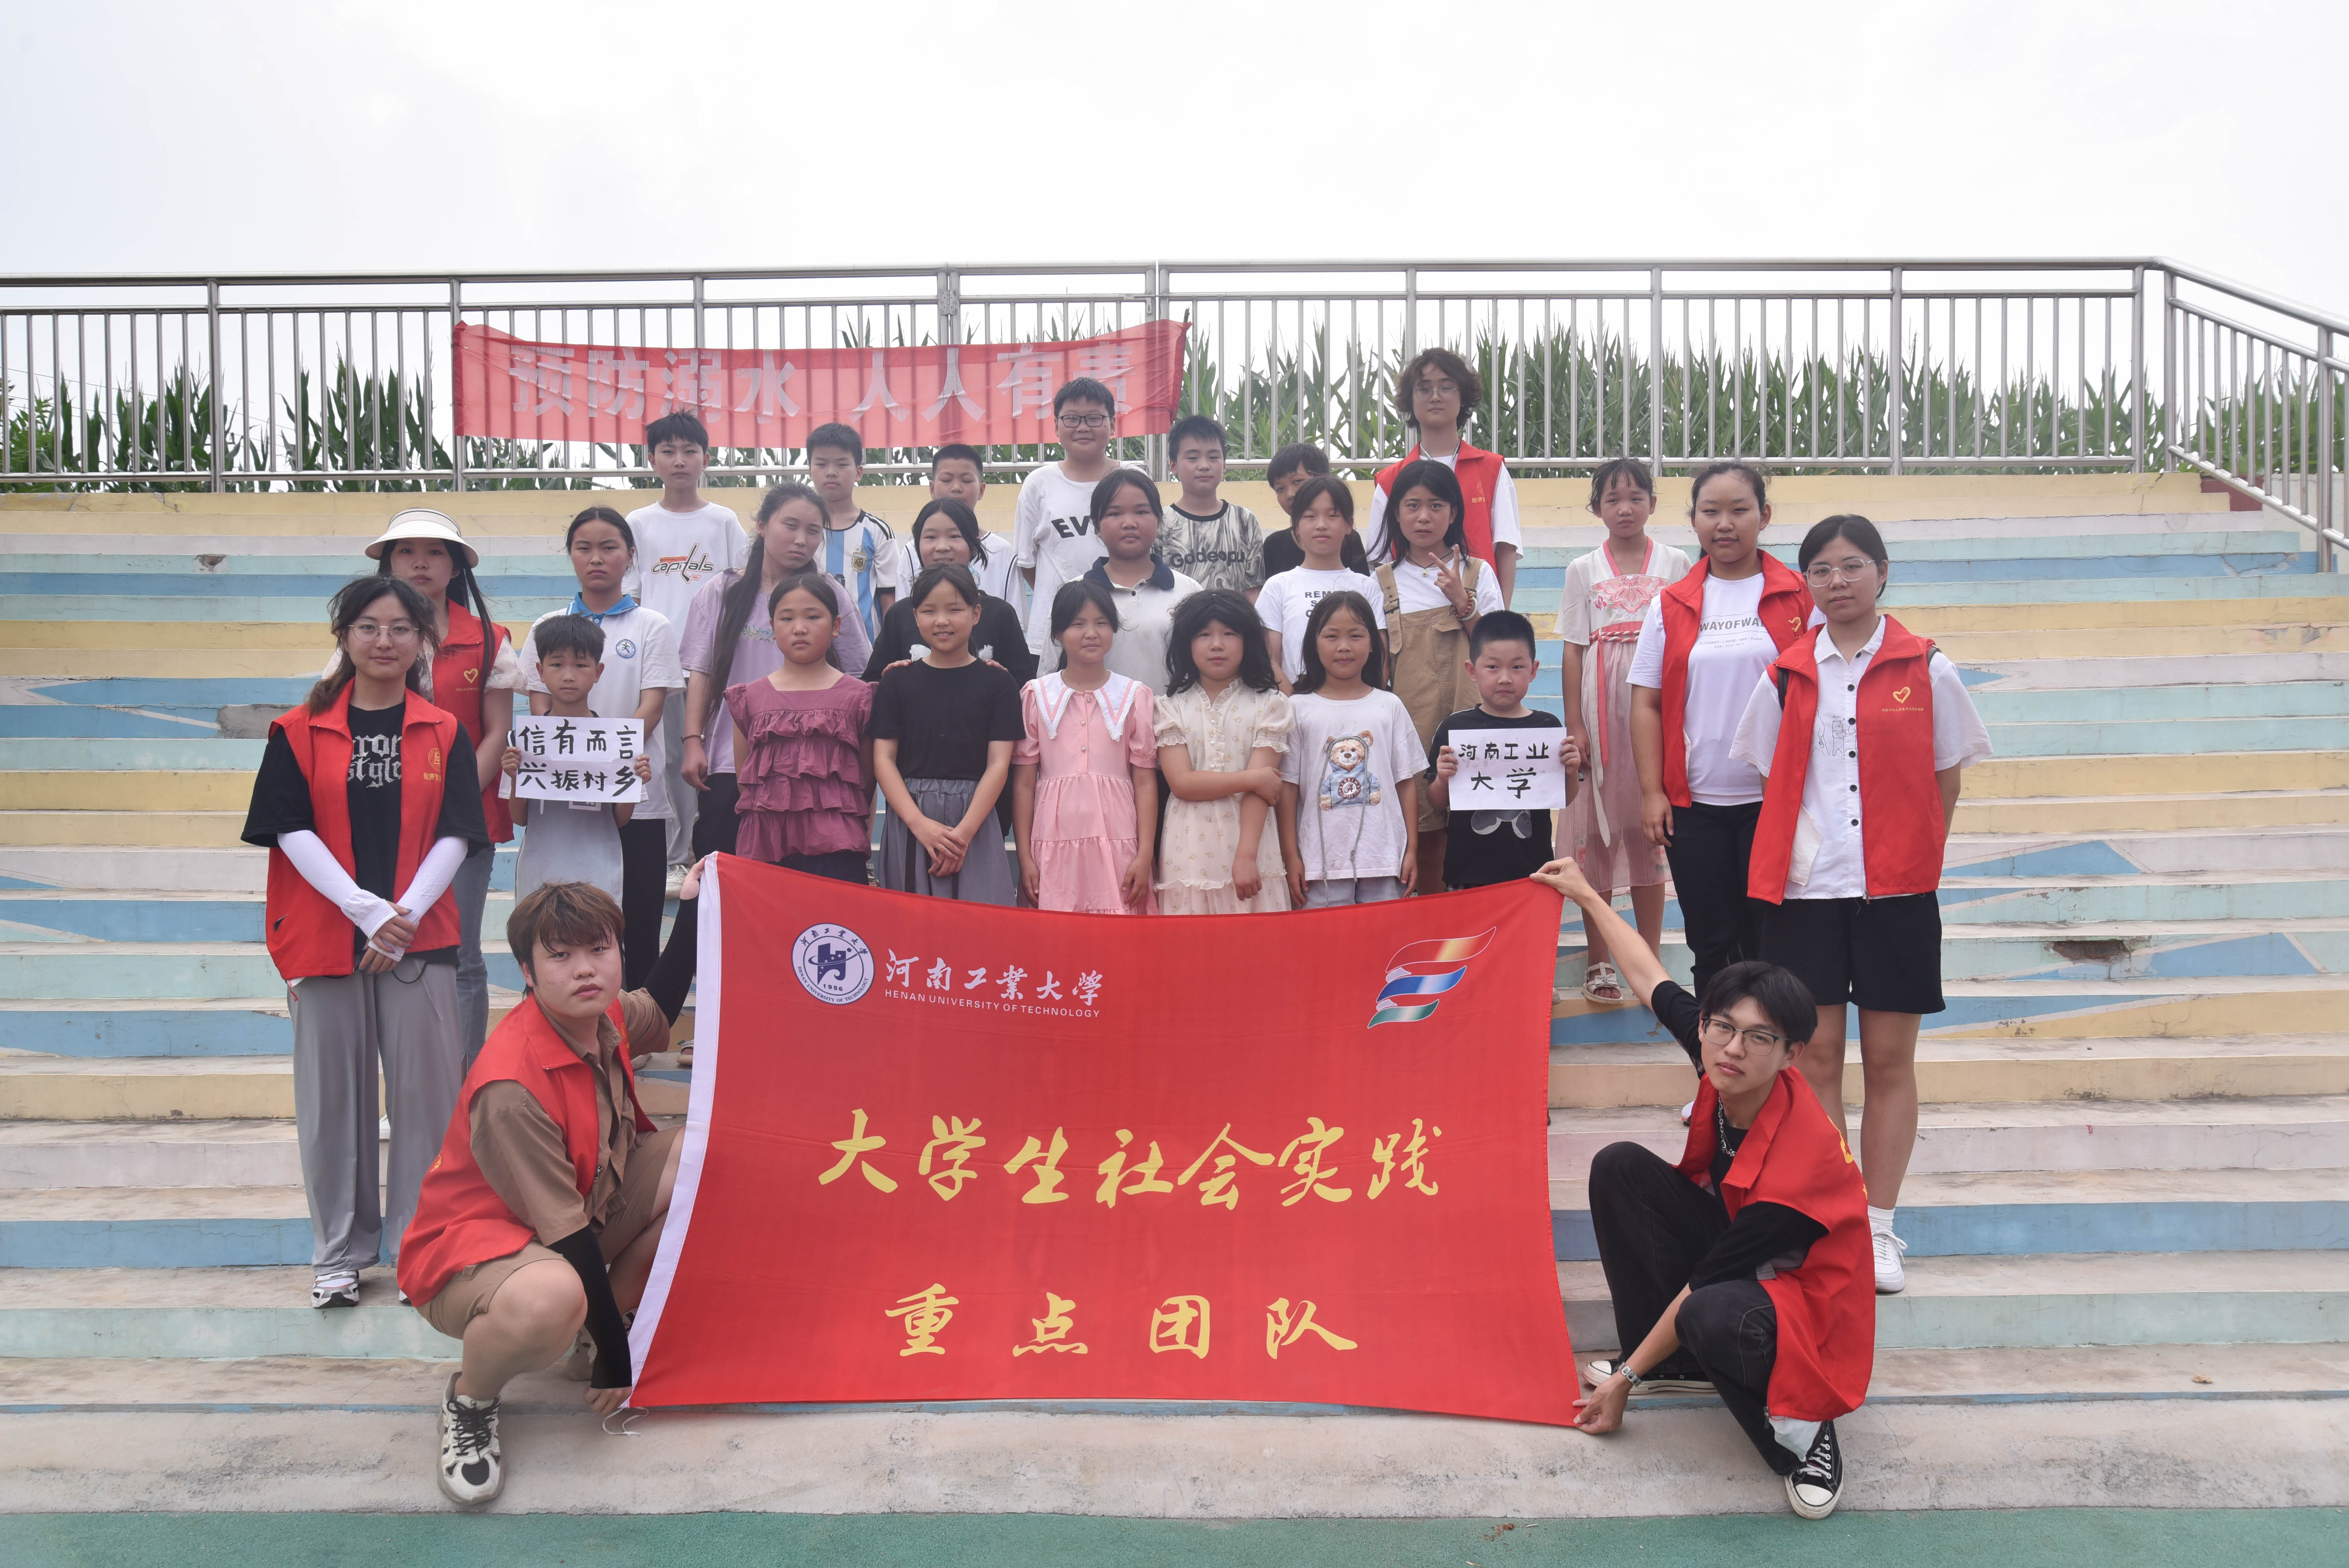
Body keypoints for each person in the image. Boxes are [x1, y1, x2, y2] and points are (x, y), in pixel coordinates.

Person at [1532, 856, 1872, 1522]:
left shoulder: (1801, 1162)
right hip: (1744, 1258)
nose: (1733, 1048)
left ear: (1792, 1054)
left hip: (1810, 1305)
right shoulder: (1723, 1055)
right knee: (1621, 1167)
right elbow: (1647, 976)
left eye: (1759, 1037)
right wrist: (1586, 896)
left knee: (1708, 1313)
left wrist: (1621, 1384)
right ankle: (1669, 1364)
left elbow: (1709, 1278)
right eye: (1723, 1027)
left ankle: (1806, 1431)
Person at [1732, 515, 1993, 1294]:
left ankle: (1878, 1225)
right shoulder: (1784, 675)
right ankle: (1832, 1217)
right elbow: (1766, 776)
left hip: (1896, 893)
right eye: (1820, 569)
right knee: (1813, 1059)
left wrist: (1908, 853)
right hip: (1808, 892)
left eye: (1851, 566)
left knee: (1886, 1061)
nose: (1836, 581)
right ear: (1804, 583)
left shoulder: (1928, 667)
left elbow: (1946, 777)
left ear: (1882, 572)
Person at [242, 576, 488, 1310]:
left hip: (421, 939)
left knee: (427, 1103)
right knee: (332, 1104)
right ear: (344, 637)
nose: (385, 641)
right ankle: (338, 1256)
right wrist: (365, 911)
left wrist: (401, 917)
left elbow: (458, 833)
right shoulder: (296, 731)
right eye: (369, 628)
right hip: (324, 938)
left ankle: (421, 1248)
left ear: (423, 641)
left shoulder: (445, 732)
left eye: (401, 628)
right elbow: (290, 829)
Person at [397, 880, 682, 1507]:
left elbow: (660, 1004)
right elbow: (569, 1238)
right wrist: (618, 1358)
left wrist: (693, 906)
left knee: (707, 1160)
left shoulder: (601, 1014)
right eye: (560, 955)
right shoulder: (512, 1083)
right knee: (553, 1296)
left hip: (571, 1219)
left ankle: (590, 1338)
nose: (585, 969)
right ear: (527, 972)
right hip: (473, 1254)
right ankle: (470, 1401)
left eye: (599, 950)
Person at [1628, 463, 1815, 1003]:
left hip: (1775, 802)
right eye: (1711, 511)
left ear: (1765, 515)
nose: (1725, 523)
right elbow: (1645, 702)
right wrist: (1652, 791)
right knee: (1710, 944)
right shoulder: (1671, 603)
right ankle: (1714, 1052)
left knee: (1772, 939)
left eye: (1740, 510)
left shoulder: (1800, 596)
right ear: (1694, 520)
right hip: (1695, 806)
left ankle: (1774, 1050)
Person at [342, 508, 519, 1068]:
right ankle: (402, 1080)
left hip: (464, 826)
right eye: (406, 551)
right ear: (388, 563)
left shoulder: (489, 639)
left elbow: (497, 732)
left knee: (460, 956)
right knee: (380, 945)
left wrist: (450, 802)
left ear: (456, 566)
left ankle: (464, 1084)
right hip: (381, 820)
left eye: (435, 552)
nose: (420, 563)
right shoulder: (364, 637)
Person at [519, 508, 683, 991]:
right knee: (560, 925)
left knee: (637, 922)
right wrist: (580, 762)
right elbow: (539, 707)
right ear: (570, 554)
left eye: (609, 547)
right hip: (563, 804)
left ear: (630, 555)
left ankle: (635, 1023)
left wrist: (612, 762)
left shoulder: (651, 624)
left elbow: (651, 705)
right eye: (584, 547)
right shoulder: (547, 625)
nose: (596, 558)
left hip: (636, 798)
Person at [678, 482, 872, 869]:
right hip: (731, 761)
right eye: (791, 525)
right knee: (727, 877)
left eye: (813, 531)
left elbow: (858, 673)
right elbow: (702, 671)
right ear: (763, 525)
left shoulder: (831, 594)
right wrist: (692, 741)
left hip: (813, 769)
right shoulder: (723, 590)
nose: (801, 540)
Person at [1561, 459, 1690, 1005]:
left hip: (1654, 709)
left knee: (1647, 836)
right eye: (1613, 499)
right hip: (1601, 715)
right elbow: (1573, 648)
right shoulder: (1583, 569)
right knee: (1597, 838)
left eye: (1636, 497)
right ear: (1597, 509)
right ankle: (1599, 961)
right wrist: (1576, 724)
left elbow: (1686, 644)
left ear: (1653, 504)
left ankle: (1649, 962)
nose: (1625, 508)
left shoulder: (1677, 563)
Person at [624, 412, 749, 879]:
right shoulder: (639, 522)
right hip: (661, 667)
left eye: (689, 451)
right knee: (674, 759)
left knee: (716, 758)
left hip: (716, 664)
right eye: (669, 451)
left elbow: (742, 586)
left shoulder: (723, 521)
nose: (679, 460)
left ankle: (714, 848)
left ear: (706, 458)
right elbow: (633, 594)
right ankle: (678, 855)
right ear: (652, 459)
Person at [1375, 459, 1506, 893]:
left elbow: (1498, 650)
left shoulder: (1479, 572)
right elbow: (1379, 669)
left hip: (1476, 720)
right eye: (1412, 505)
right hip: (1413, 727)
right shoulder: (1381, 582)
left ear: (1453, 513)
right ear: (1396, 514)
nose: (1424, 516)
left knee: (1480, 831)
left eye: (1436, 505)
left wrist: (1463, 602)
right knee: (1426, 835)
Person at [870, 564, 1024, 903]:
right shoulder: (896, 682)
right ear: (915, 617)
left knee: (980, 920)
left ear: (976, 613)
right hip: (911, 818)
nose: (942, 621)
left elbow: (999, 764)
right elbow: (883, 759)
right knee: (911, 922)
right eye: (929, 611)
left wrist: (964, 834)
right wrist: (919, 824)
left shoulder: (1000, 684)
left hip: (975, 818)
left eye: (954, 609)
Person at [1012, 580, 1159, 914]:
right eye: (1078, 624)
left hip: (1119, 837)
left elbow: (1145, 782)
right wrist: (1025, 857)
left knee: (1118, 928)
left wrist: (1144, 854)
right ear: (1058, 633)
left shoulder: (1134, 696)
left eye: (1101, 623)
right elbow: (1023, 785)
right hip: (1051, 839)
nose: (1091, 633)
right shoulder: (1036, 696)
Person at [725, 573, 877, 884]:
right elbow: (746, 782)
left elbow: (866, 783)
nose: (799, 628)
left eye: (812, 617)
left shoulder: (860, 697)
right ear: (772, 627)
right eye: (787, 618)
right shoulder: (749, 698)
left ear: (836, 626)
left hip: (838, 849)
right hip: (766, 848)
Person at [1155, 590, 1294, 915]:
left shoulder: (1272, 704)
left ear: (1248, 641)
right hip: (1188, 848)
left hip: (1253, 846)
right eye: (1204, 635)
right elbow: (1182, 784)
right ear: (1187, 643)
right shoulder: (1169, 707)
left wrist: (1246, 856)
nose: (1217, 644)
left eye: (1229, 634)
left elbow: (1262, 793)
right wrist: (1252, 778)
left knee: (1253, 940)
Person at [1278, 591, 1420, 907]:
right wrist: (1292, 856)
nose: (1344, 646)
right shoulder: (1298, 708)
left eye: (1356, 636)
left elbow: (1405, 782)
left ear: (1373, 644)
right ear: (1314, 644)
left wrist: (1411, 849)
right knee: (1326, 938)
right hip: (1318, 862)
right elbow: (1288, 788)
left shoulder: (1389, 705)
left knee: (1383, 936)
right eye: (1332, 636)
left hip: (1385, 858)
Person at [504, 616, 652, 904]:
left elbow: (621, 820)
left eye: (581, 665)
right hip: (540, 868)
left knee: (596, 933)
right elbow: (519, 818)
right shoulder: (524, 740)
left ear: (598, 672)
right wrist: (514, 778)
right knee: (540, 933)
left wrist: (636, 781)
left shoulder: (619, 742)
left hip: (599, 869)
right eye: (557, 665)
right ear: (540, 671)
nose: (569, 676)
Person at [1426, 611, 1573, 890]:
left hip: (1534, 869)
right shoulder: (1455, 728)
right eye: (1493, 667)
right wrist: (1443, 779)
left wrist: (1571, 770)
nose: (1505, 678)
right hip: (1468, 871)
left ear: (1534, 670)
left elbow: (1565, 796)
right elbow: (1436, 802)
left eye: (1517, 667)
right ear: (1472, 671)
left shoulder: (1548, 727)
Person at [1367, 347, 1522, 607]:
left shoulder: (1492, 469)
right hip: (1408, 616)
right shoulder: (1390, 480)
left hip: (1478, 609)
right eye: (1424, 389)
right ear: (1411, 400)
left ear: (1463, 398)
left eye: (1446, 388)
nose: (1435, 397)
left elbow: (1506, 547)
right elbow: (1379, 560)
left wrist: (1500, 620)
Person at [864, 498, 1035, 686]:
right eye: (931, 537)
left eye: (955, 536)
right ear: (917, 546)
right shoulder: (899, 614)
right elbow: (872, 684)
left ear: (975, 546)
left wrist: (1005, 680)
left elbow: (1026, 687)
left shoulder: (1001, 613)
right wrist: (890, 679)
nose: (942, 547)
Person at [1012, 376, 1126, 634]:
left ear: (1112, 425)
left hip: (1125, 624)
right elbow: (1027, 563)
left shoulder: (1132, 478)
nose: (1083, 428)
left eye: (1094, 419)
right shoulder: (1038, 484)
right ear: (1056, 425)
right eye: (1072, 419)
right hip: (1055, 630)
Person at [1074, 470, 1202, 693]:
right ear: (1096, 526)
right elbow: (1052, 675)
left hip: (1172, 715)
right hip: (1095, 716)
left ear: (1159, 521)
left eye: (1142, 512)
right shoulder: (1075, 594)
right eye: (1115, 514)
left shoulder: (1188, 592)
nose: (1129, 523)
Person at [1257, 476, 1385, 690]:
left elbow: (1381, 659)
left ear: (1349, 525)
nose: (1322, 525)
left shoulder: (1368, 587)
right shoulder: (1278, 587)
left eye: (1333, 516)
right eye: (1310, 516)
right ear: (1296, 527)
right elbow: (1269, 660)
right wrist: (1294, 704)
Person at [806, 421, 900, 640]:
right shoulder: (800, 531)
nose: (831, 473)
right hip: (808, 644)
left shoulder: (878, 531)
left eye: (841, 464)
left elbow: (890, 598)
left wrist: (891, 648)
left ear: (859, 472)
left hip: (866, 649)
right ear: (810, 470)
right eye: (821, 464)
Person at [1158, 414, 1265, 599]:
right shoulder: (1161, 522)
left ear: (1224, 465)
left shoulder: (1245, 520)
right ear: (1174, 466)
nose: (1204, 466)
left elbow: (1253, 591)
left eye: (1214, 457)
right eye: (1193, 458)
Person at [903, 444, 1020, 607]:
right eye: (947, 480)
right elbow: (904, 611)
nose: (956, 488)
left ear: (981, 490)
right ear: (932, 488)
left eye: (966, 481)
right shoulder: (913, 551)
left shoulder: (1002, 552)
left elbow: (1014, 615)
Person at [1262, 443, 1365, 576]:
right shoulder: (1274, 545)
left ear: (1323, 478)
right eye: (1280, 489)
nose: (1290, 494)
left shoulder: (1347, 539)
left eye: (1297, 481)